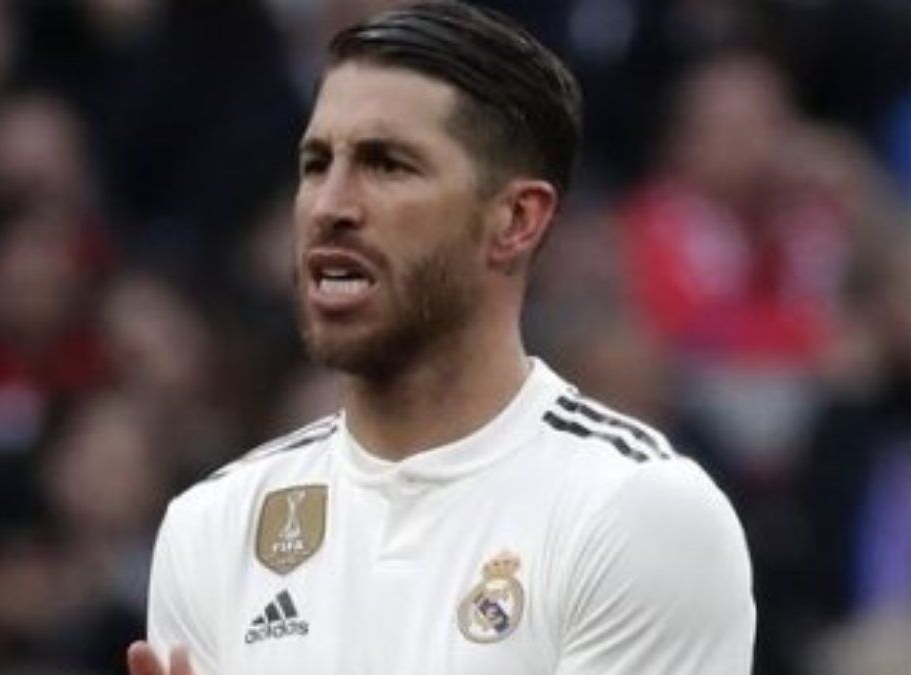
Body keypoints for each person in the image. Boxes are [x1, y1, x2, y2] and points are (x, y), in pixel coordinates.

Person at [127, 2, 755, 673]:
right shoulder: (215, 527)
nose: (330, 206)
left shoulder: (636, 513)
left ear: (516, 219)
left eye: (388, 165)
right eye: (316, 163)